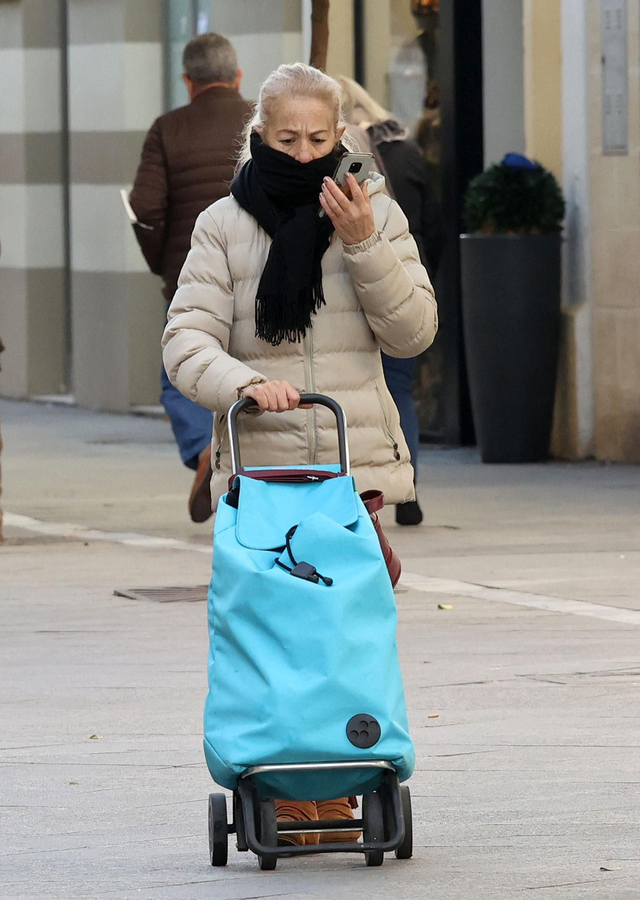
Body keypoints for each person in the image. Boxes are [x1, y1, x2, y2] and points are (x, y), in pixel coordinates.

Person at [162, 62, 436, 844]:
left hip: (356, 471)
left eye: (321, 138)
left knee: (348, 631)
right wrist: (243, 383)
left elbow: (413, 332)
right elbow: (185, 342)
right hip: (266, 474)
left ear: (343, 136)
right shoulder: (224, 223)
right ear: (260, 135)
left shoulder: (372, 210)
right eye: (289, 138)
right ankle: (291, 787)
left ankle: (345, 772)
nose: (307, 151)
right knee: (277, 632)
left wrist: (362, 246)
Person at [129, 32, 252, 524]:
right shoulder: (260, 121)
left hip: (191, 275)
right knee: (252, 369)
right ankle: (248, 465)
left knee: (180, 373)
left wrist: (163, 262)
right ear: (238, 76)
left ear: (187, 81)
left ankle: (205, 448)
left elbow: (145, 208)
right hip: (257, 274)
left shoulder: (167, 129)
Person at [336, 76, 441, 526]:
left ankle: (366, 495)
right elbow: (432, 224)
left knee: (354, 397)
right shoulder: (407, 153)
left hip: (355, 294)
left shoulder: (340, 160)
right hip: (402, 281)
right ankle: (408, 488)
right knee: (398, 391)